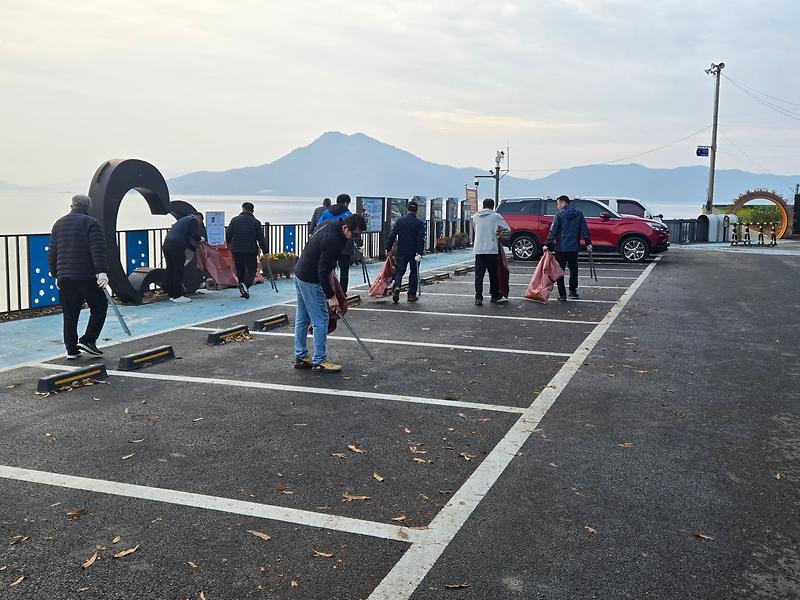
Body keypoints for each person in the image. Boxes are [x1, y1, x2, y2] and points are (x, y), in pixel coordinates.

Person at [292, 213, 366, 373]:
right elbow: (322, 271)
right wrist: (332, 297)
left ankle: (300, 356)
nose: (353, 238)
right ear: (346, 227)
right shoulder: (334, 241)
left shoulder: (328, 223)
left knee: (302, 318)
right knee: (321, 319)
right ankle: (319, 360)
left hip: (299, 272)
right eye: (354, 234)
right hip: (311, 279)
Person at [48, 194, 109, 359]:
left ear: (71, 205)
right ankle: (88, 340)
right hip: (85, 275)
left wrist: (56, 275)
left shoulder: (59, 224)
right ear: (89, 207)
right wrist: (102, 272)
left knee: (70, 313)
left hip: (64, 278)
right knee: (99, 306)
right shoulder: (91, 223)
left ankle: (71, 350)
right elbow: (98, 249)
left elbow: (53, 252)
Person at [545, 195, 592, 301]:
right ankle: (573, 291)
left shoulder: (559, 215)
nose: (557, 206)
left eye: (558, 204)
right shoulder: (579, 214)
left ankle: (562, 295)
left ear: (563, 203)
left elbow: (553, 232)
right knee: (573, 270)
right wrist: (588, 243)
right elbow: (584, 230)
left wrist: (547, 245)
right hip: (574, 248)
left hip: (561, 248)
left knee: (560, 272)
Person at [471, 198, 510, 306]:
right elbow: (508, 230)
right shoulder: (496, 216)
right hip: (492, 249)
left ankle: (478, 297)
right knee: (493, 274)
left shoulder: (475, 216)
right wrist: (500, 234)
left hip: (478, 249)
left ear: (483, 206)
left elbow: (476, 230)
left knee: (479, 275)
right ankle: (494, 296)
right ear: (493, 206)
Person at [385, 200, 426, 303]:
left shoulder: (400, 221)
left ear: (407, 209)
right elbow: (420, 239)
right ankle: (411, 295)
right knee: (414, 272)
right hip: (414, 252)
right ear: (416, 210)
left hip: (401, 251)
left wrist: (388, 248)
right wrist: (420, 252)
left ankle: (397, 286)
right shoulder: (420, 223)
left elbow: (392, 235)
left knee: (399, 271)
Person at [226, 202, 267, 299]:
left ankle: (243, 291)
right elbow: (261, 238)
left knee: (240, 270)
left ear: (243, 209)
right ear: (252, 210)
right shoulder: (256, 222)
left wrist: (229, 245)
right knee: (252, 269)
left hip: (237, 249)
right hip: (250, 249)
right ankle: (246, 285)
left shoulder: (234, 220)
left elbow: (228, 234)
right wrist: (265, 251)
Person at [316, 194, 355, 293]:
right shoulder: (349, 215)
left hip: (327, 245)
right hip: (345, 247)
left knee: (328, 270)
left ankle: (329, 292)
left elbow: (318, 226)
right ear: (346, 203)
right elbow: (352, 231)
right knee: (344, 272)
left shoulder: (326, 213)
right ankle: (342, 294)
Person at [162, 212, 204, 303]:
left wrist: (193, 247)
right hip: (176, 247)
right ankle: (178, 296)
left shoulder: (183, 220)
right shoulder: (193, 220)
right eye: (200, 223)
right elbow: (193, 234)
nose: (198, 225)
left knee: (171, 270)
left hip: (167, 245)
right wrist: (200, 239)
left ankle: (172, 295)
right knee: (178, 270)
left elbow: (187, 239)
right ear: (199, 218)